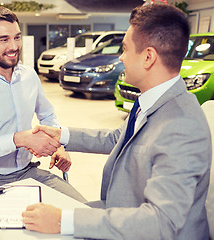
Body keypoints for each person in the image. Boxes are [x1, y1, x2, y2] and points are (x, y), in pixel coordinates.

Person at [22, 4, 211, 240]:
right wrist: (62, 135)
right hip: (122, 213)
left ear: (148, 57)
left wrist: (62, 221)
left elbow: (162, 223)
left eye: (125, 48)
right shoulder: (152, 99)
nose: (121, 57)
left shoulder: (182, 126)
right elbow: (117, 138)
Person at [0, 6, 86, 202]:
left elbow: (47, 115)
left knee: (82, 209)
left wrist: (57, 145)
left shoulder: (29, 76)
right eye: (4, 39)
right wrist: (18, 139)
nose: (14, 46)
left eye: (17, 37)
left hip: (28, 172)